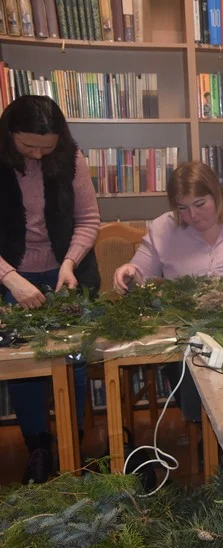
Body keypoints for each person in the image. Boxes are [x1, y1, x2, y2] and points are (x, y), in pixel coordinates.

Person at [113, 161, 223, 424]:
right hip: (190, 331)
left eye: (200, 204)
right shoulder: (163, 228)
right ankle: (205, 432)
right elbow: (139, 272)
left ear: (217, 193)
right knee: (189, 366)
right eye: (182, 208)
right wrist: (127, 272)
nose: (192, 216)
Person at [0, 95, 100, 483]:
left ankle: (69, 443)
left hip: (64, 272)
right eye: (29, 147)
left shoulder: (72, 159)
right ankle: (38, 447)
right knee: (25, 366)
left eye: (48, 147)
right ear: (9, 135)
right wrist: (10, 278)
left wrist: (70, 262)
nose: (39, 155)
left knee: (73, 361)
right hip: (11, 275)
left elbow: (89, 219)